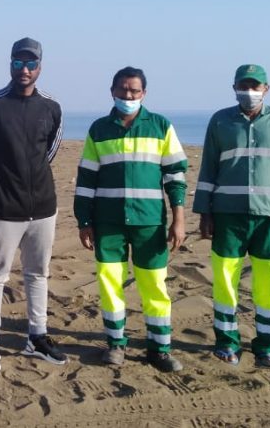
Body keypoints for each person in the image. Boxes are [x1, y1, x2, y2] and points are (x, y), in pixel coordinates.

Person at [73, 67, 187, 372]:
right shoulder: (99, 130)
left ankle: (159, 349)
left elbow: (175, 176)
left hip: (150, 222)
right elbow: (86, 179)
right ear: (112, 91)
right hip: (108, 223)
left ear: (144, 94)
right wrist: (84, 221)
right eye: (123, 90)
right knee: (110, 283)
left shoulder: (161, 126)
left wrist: (178, 218)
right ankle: (115, 344)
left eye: (134, 90)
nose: (128, 95)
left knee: (154, 285)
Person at [194, 64, 270, 368]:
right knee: (224, 281)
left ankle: (266, 348)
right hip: (227, 216)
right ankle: (226, 343)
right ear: (234, 87)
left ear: (266, 89)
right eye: (243, 86)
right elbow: (208, 168)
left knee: (267, 283)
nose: (249, 91)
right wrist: (204, 212)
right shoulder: (220, 121)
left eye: (255, 86)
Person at [0, 36, 68, 369]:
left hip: (43, 208)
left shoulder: (52, 106)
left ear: (40, 66)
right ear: (10, 64)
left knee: (38, 273)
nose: (24, 69)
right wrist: (1, 179)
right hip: (2, 208)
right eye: (18, 62)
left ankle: (37, 337)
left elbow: (50, 151)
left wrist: (30, 179)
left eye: (30, 63)